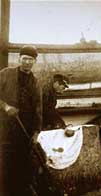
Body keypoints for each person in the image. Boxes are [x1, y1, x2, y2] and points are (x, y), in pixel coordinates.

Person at [0, 45, 42, 195]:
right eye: (24, 59)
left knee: (22, 167)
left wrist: (36, 132)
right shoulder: (6, 74)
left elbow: (38, 109)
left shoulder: (36, 82)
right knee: (4, 166)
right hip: (4, 130)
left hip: (25, 132)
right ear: (19, 59)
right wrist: (5, 107)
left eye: (31, 59)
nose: (27, 62)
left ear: (35, 61)